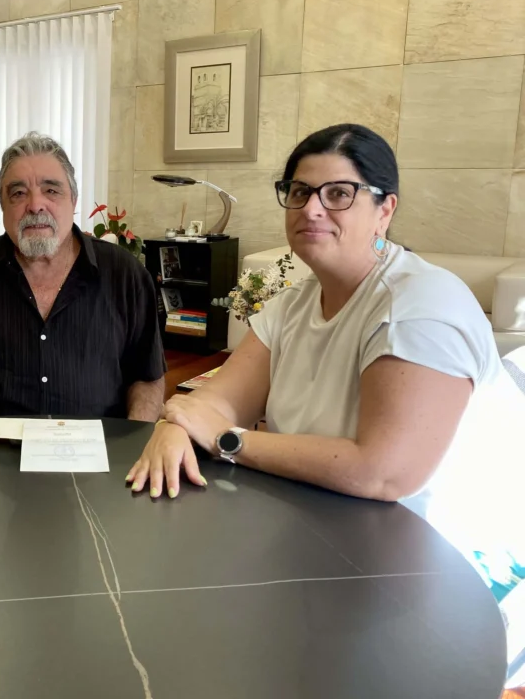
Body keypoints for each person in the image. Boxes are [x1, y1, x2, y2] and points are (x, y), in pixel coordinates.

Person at [127, 123, 525, 602]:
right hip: (330, 533)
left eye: (338, 193)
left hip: (453, 571)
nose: (311, 208)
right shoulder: (295, 303)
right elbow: (217, 401)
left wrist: (226, 439)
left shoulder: (420, 306)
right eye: (300, 191)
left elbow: (383, 471)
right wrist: (176, 426)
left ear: (385, 210)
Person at [0, 132, 165, 421]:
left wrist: (135, 444)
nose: (35, 205)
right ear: (3, 206)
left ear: (74, 200)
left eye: (51, 190)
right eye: (18, 193)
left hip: (100, 445)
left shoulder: (125, 275)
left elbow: (148, 379)